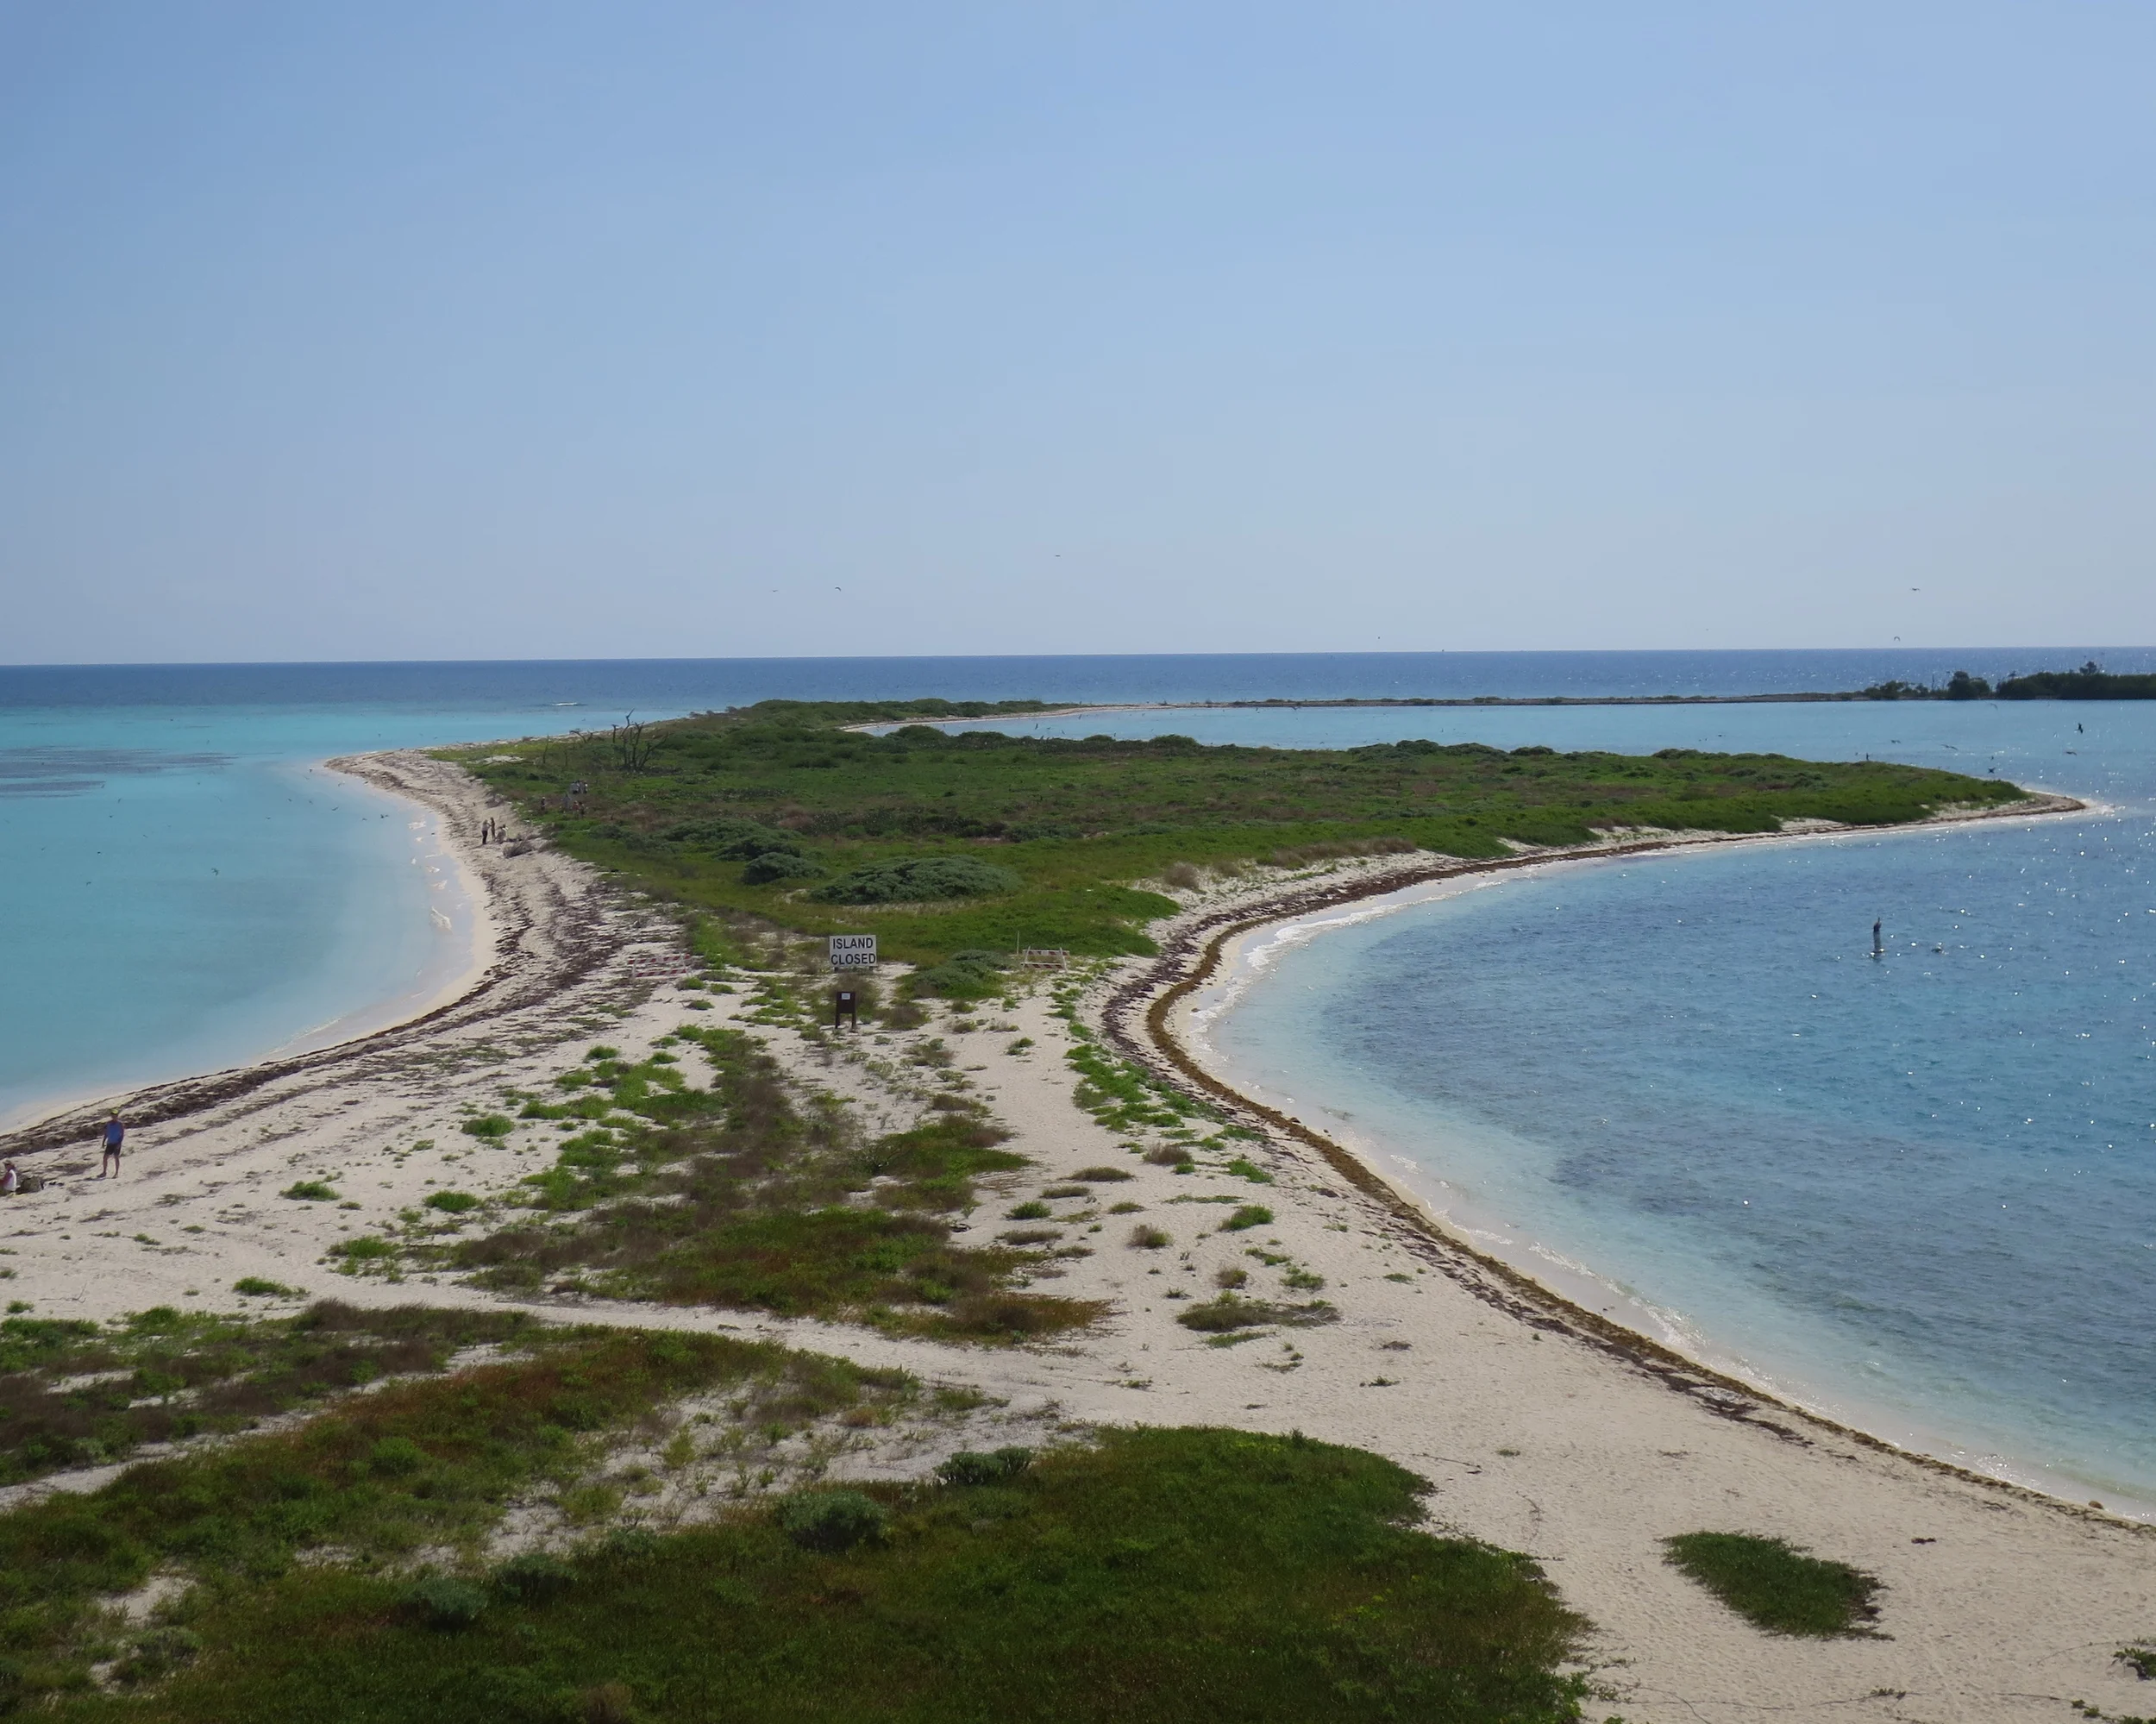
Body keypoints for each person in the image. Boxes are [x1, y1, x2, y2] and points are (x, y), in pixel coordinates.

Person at [97, 1113, 125, 1178]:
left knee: (116, 1157)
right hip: (110, 1143)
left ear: (117, 1116)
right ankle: (104, 1172)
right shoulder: (108, 1123)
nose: (114, 1117)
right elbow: (106, 1133)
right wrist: (103, 1141)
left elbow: (122, 1134)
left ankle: (116, 1173)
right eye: (112, 1116)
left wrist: (119, 1143)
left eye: (115, 1116)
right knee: (105, 1158)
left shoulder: (120, 1124)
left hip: (117, 1143)